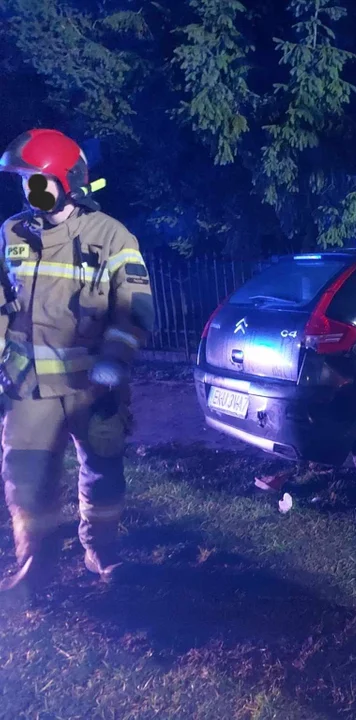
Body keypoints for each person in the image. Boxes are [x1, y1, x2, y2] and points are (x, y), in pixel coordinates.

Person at [0, 129, 154, 597]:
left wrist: (115, 360)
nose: (28, 190)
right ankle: (34, 567)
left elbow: (135, 309)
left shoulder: (111, 236)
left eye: (37, 181)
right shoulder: (12, 233)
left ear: (68, 182)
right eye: (22, 181)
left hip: (93, 386)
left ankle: (101, 552)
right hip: (28, 388)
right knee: (26, 481)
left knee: (103, 475)